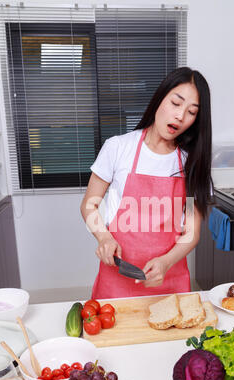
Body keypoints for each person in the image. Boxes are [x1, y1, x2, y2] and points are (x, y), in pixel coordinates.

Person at [80, 66, 212, 300]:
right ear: (160, 98)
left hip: (169, 282)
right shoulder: (118, 148)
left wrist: (165, 262)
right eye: (176, 103)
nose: (181, 116)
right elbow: (90, 205)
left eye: (192, 112)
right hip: (116, 280)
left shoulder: (190, 163)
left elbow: (191, 232)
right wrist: (104, 237)